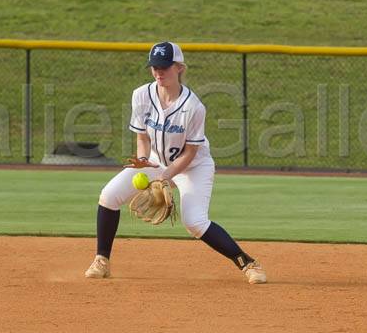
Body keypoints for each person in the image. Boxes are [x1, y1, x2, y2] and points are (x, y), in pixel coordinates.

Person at [85, 41, 267, 285]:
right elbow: (142, 137)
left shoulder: (193, 107)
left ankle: (247, 263)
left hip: (193, 167)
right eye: (154, 67)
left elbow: (190, 152)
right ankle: (101, 260)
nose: (159, 71)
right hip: (154, 162)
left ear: (179, 67)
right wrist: (142, 161)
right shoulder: (141, 95)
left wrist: (165, 177)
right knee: (109, 196)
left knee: (194, 222)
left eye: (165, 66)